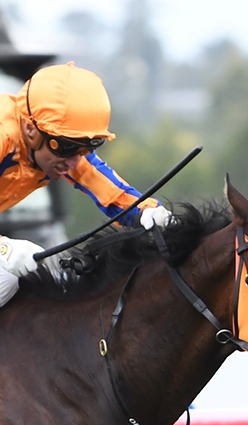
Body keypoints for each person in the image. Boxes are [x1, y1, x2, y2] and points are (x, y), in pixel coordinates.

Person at [0, 62, 171, 306]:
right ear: (30, 129)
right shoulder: (3, 135)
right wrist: (3, 248)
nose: (73, 163)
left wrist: (146, 212)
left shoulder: (58, 144)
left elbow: (112, 193)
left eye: (85, 150)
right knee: (9, 279)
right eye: (67, 148)